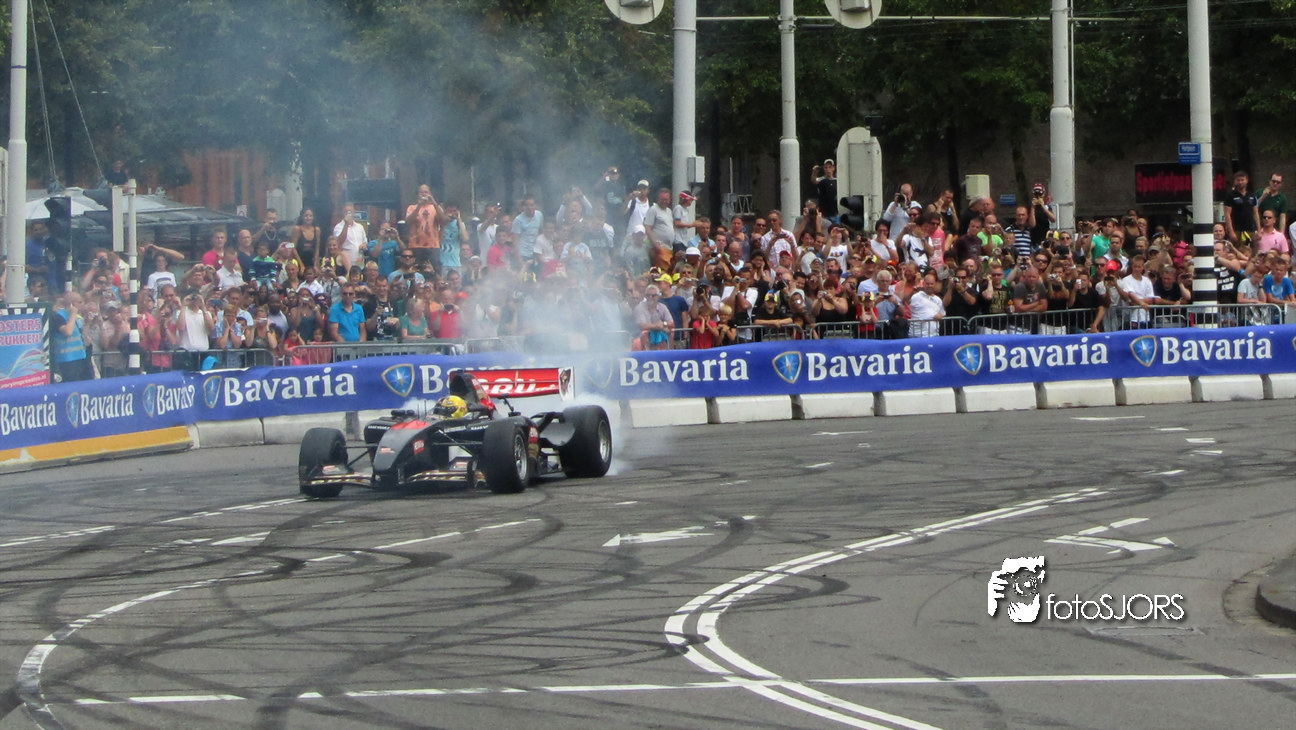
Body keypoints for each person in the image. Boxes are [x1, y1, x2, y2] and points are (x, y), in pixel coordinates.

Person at [50, 292, 92, 382]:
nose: (82, 304)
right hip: (67, 359)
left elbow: (80, 334)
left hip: (80, 355)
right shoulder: (59, 317)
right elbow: (68, 332)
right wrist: (73, 314)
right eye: (79, 302)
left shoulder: (75, 318)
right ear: (71, 304)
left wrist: (87, 323)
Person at [633, 284, 674, 350]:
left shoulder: (662, 307)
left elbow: (672, 323)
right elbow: (642, 325)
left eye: (653, 295)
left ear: (658, 296)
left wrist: (664, 324)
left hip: (659, 337)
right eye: (648, 295)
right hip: (642, 338)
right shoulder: (640, 307)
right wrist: (656, 326)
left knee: (670, 331)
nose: (650, 297)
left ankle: (669, 353)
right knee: (645, 333)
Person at [907, 272, 945, 337]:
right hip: (917, 335)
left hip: (934, 335)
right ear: (923, 283)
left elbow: (942, 313)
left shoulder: (938, 300)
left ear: (935, 284)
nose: (929, 286)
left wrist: (940, 316)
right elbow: (906, 301)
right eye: (927, 284)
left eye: (931, 284)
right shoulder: (917, 296)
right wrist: (913, 290)